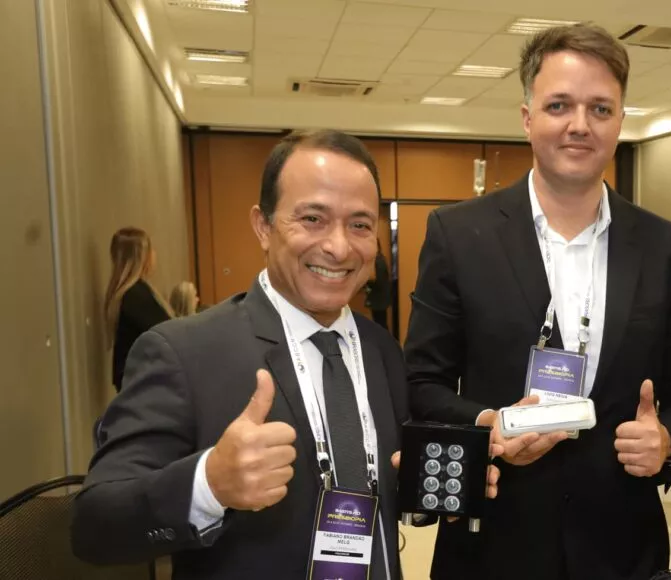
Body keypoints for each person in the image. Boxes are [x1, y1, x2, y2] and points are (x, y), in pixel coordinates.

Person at [72, 130, 500, 580]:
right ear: (263, 226)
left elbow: (378, 480)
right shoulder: (183, 353)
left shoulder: (382, 351)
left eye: (359, 225)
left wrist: (434, 486)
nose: (338, 247)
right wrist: (209, 485)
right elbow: (94, 525)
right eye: (313, 219)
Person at [403, 23, 671, 580]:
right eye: (559, 105)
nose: (580, 124)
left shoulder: (668, 248)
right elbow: (422, 382)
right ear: (528, 118)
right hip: (495, 543)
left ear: (620, 120)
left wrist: (668, 439)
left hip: (621, 545)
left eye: (600, 109)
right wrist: (489, 424)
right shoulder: (459, 235)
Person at [104, 227, 173, 392]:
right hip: (144, 386)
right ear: (142, 256)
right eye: (151, 249)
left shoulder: (132, 293)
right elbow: (166, 333)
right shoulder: (136, 295)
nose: (154, 254)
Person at [365, 239, 391, 330]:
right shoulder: (380, 259)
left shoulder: (378, 261)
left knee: (380, 324)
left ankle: (384, 339)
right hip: (380, 298)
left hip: (379, 299)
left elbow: (379, 280)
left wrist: (366, 284)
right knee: (380, 323)